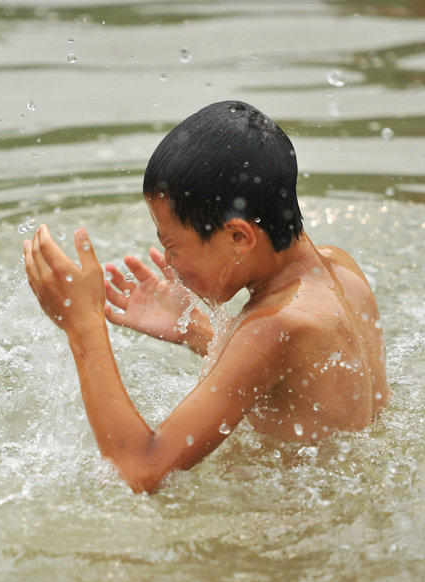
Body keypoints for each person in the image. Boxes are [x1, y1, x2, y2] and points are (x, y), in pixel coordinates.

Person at [22, 100, 388, 493]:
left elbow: (140, 469)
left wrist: (83, 325)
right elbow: (294, 382)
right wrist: (195, 329)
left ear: (238, 237)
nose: (170, 264)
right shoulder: (340, 270)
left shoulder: (277, 324)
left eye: (173, 246)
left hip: (290, 538)